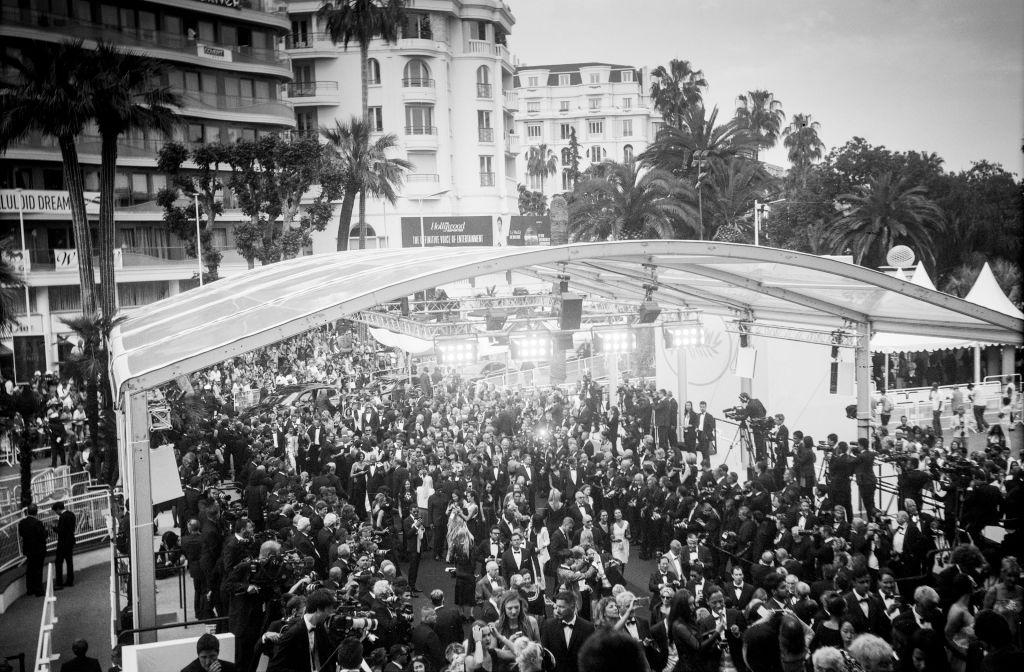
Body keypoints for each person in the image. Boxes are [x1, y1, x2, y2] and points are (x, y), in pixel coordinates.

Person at [539, 590, 595, 672]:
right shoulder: (548, 626)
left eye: (561, 607)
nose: (557, 610)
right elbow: (545, 655)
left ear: (572, 607)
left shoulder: (588, 627)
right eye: (557, 606)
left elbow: (590, 657)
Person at [17, 502, 46, 597]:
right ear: (36, 512)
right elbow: (43, 536)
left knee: (30, 569)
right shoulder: (38, 523)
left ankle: (30, 589)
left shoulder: (22, 523)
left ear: (27, 512)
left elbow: (21, 534)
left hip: (28, 549)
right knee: (38, 570)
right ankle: (38, 590)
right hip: (38, 549)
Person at [52, 500, 76, 589]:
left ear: (58, 509)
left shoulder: (63, 517)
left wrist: (54, 528)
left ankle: (59, 583)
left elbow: (61, 531)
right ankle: (70, 580)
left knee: (58, 562)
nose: (56, 513)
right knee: (69, 561)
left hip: (63, 543)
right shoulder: (71, 514)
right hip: (70, 541)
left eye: (56, 511)